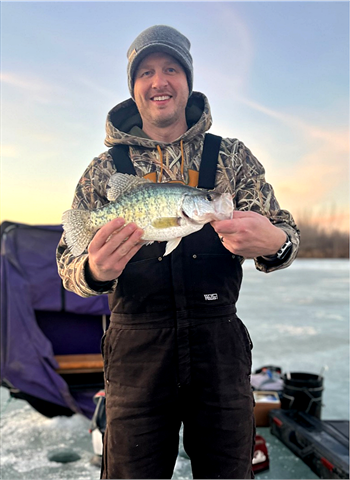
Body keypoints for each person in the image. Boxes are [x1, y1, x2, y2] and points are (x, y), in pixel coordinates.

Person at [57, 25, 300, 480]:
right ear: (134, 87)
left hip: (219, 350)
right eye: (146, 71)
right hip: (135, 355)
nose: (159, 81)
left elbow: (286, 233)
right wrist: (93, 269)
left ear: (187, 80)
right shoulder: (105, 170)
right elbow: (67, 266)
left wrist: (275, 243)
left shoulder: (231, 158)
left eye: (171, 68)